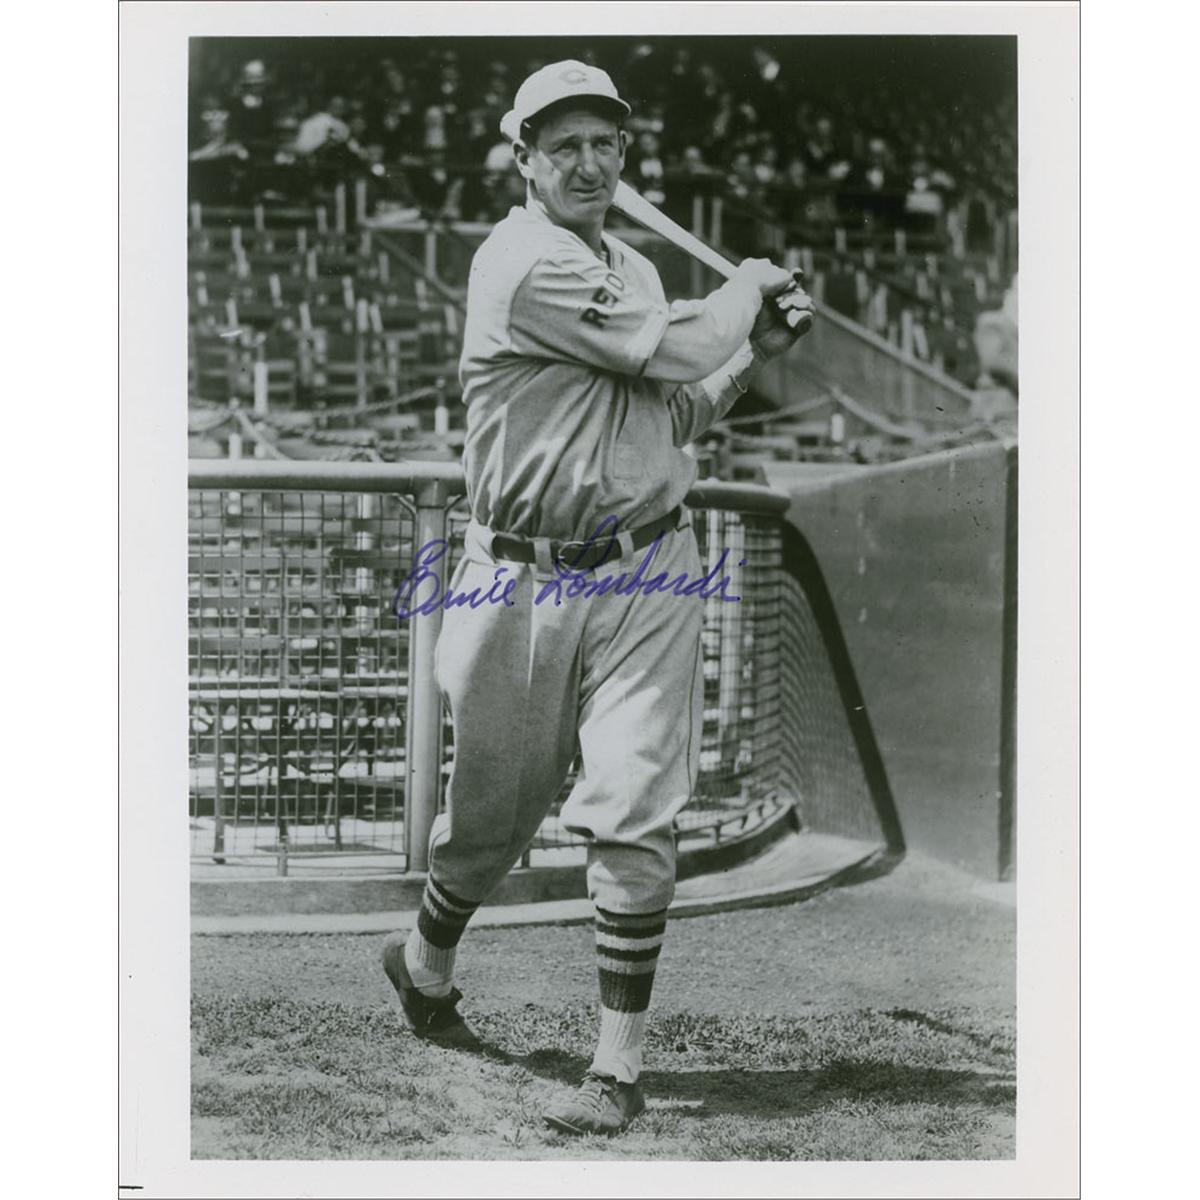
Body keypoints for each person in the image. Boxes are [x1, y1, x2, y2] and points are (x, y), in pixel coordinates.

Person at [380, 59, 813, 1136]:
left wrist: (748, 356)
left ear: (626, 155)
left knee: (631, 806)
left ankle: (617, 1068)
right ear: (522, 160)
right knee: (491, 818)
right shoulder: (521, 260)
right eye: (563, 144)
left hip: (648, 566)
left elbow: (671, 411)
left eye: (604, 144)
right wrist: (748, 286)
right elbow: (682, 341)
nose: (588, 163)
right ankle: (424, 959)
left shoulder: (631, 265)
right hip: (516, 573)